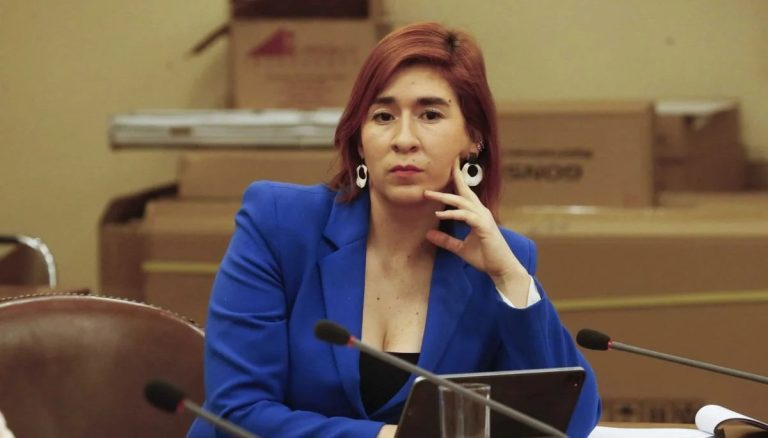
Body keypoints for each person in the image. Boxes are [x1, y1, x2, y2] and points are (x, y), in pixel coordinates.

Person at [188, 22, 601, 438]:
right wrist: (390, 437)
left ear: (473, 137)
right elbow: (236, 412)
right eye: (383, 116)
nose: (404, 139)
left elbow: (570, 425)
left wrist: (510, 279)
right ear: (359, 139)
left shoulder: (498, 256)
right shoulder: (280, 224)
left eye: (430, 115)